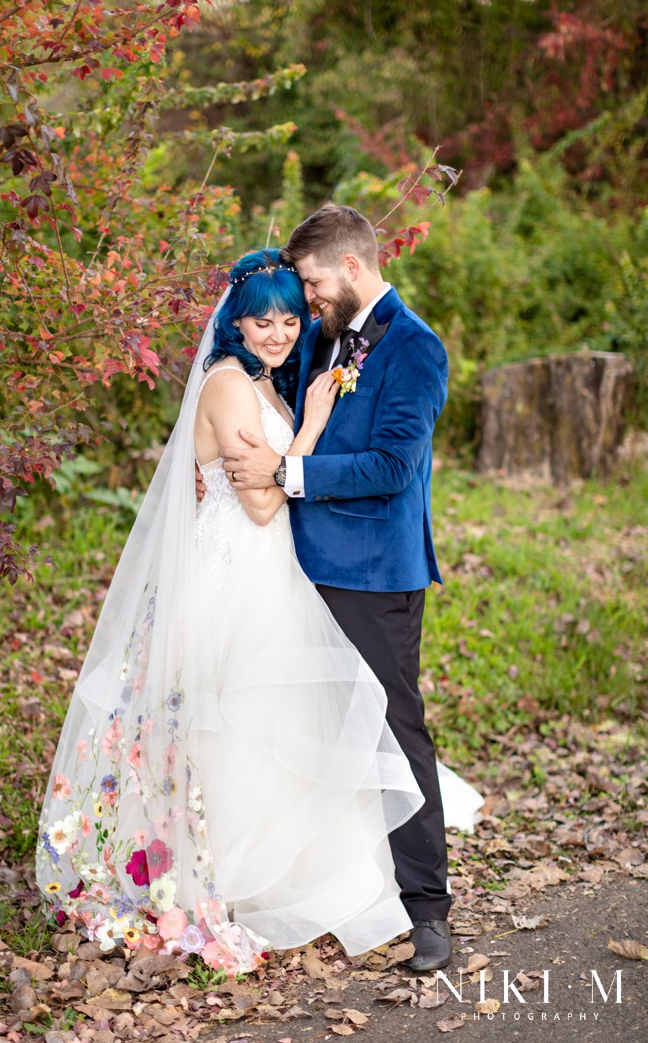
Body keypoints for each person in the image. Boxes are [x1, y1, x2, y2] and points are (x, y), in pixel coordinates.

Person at [35, 248, 432, 974]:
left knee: (273, 725)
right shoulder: (232, 384)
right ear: (235, 321)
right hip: (235, 573)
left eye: (289, 318)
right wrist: (308, 426)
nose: (280, 333)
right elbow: (256, 504)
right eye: (263, 320)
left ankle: (274, 875)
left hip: (272, 573)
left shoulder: (259, 378)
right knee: (235, 724)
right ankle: (231, 877)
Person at [220, 205, 463, 971]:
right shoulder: (319, 334)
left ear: (353, 267)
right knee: (307, 730)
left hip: (373, 575)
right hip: (293, 567)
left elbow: (392, 469)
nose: (309, 299)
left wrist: (286, 473)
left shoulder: (417, 350)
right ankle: (336, 886)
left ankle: (428, 909)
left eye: (316, 282)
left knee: (393, 731)